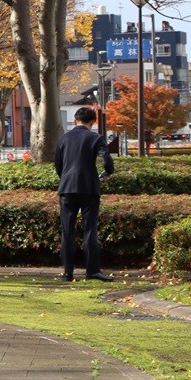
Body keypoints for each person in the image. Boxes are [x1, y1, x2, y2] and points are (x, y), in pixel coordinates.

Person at [54, 106, 115, 283]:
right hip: (89, 188)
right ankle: (93, 270)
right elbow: (106, 160)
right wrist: (107, 173)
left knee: (67, 231)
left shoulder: (63, 139)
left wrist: (65, 178)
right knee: (90, 229)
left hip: (67, 188)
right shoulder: (95, 138)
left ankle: (67, 272)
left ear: (75, 121)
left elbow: (58, 165)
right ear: (92, 122)